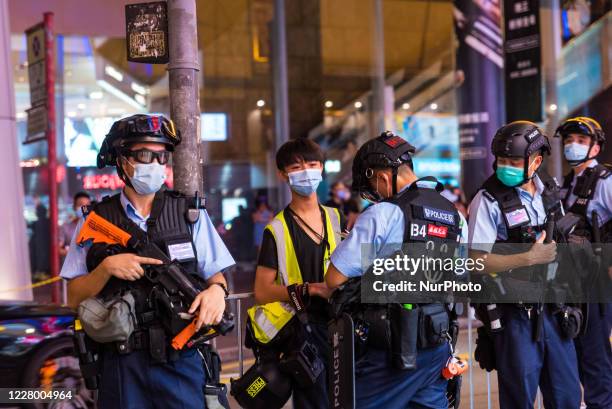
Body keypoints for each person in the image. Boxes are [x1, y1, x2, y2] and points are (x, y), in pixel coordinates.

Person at [60, 114, 235, 409]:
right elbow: (73, 298)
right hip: (121, 362)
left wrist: (217, 292)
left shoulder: (188, 213)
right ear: (121, 160)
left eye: (160, 156)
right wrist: (105, 269)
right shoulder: (94, 220)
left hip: (180, 358)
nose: (153, 164)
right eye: (143, 154)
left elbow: (216, 276)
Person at [325, 131, 468, 408]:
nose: (374, 193)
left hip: (390, 348)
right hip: (437, 341)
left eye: (371, 185)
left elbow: (334, 277)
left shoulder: (383, 214)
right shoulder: (453, 214)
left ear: (379, 175)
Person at [468, 121, 581, 409]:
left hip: (556, 311)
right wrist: (528, 258)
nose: (505, 166)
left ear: (536, 161)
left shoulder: (551, 193)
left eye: (514, 161)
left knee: (567, 396)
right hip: (514, 316)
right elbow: (475, 262)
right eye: (501, 160)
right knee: (519, 398)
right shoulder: (487, 200)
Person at [246, 138, 344, 409]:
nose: (306, 172)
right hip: (306, 332)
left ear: (322, 168)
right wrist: (310, 288)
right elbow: (262, 291)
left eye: (312, 164)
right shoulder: (276, 229)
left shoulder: (336, 218)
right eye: (297, 167)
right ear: (283, 174)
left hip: (341, 327)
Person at [555, 116, 612, 409]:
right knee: (575, 354)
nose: (572, 146)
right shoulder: (567, 182)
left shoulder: (605, 181)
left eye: (580, 141)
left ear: (596, 147)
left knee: (594, 358)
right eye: (568, 141)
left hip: (596, 283)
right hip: (570, 283)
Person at [59, 191, 91, 259]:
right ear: (74, 207)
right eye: (80, 205)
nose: (83, 208)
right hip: (72, 267)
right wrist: (74, 253)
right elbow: (58, 249)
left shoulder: (95, 227)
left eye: (86, 205)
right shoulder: (65, 228)